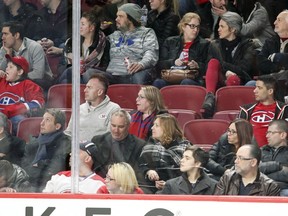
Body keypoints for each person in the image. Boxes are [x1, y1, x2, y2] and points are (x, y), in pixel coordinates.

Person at [201, 11, 257, 118]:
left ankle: (230, 108)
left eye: (222, 26)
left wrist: (225, 67)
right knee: (213, 62)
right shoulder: (214, 45)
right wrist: (225, 70)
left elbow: (244, 69)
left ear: (233, 29)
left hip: (240, 80)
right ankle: (209, 97)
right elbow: (208, 68)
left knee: (232, 78)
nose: (218, 29)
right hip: (220, 79)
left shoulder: (248, 45)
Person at [104, 3, 159, 85]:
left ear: (130, 19)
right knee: (91, 74)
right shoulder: (115, 35)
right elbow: (97, 43)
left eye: (121, 16)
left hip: (133, 74)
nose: (116, 19)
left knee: (139, 78)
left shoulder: (146, 32)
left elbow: (151, 53)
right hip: (112, 75)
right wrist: (101, 29)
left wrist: (141, 64)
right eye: (117, 16)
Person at [152, 12, 210, 89]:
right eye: (192, 26)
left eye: (198, 27)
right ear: (183, 26)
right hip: (171, 76)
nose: (195, 30)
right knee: (158, 82)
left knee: (186, 82)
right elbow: (160, 64)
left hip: (192, 78)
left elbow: (209, 67)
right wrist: (173, 62)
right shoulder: (170, 41)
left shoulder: (204, 44)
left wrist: (197, 65)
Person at [139, 113, 191, 193]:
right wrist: (148, 171)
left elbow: (189, 174)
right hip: (151, 188)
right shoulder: (149, 147)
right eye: (153, 125)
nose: (152, 128)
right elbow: (141, 167)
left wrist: (169, 184)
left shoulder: (185, 147)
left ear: (167, 128)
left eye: (156, 125)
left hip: (180, 189)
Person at [21, 109, 71, 192]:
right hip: (30, 186)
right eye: (42, 119)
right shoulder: (33, 144)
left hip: (54, 187)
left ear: (57, 126)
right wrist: (43, 165)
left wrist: (37, 165)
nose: (42, 123)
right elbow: (25, 170)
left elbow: (55, 171)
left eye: (47, 120)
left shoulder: (66, 143)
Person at [90, 109, 146, 182]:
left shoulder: (139, 145)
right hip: (101, 183)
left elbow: (138, 174)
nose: (116, 130)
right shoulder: (98, 141)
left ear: (129, 126)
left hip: (125, 185)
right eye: (113, 125)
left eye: (121, 127)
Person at [57, 6, 109, 84]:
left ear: (91, 28)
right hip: (71, 77)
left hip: (92, 79)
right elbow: (61, 66)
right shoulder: (71, 42)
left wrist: (84, 69)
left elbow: (104, 67)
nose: (79, 27)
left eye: (83, 24)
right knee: (68, 78)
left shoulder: (103, 44)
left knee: (80, 74)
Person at [64, 73, 120, 141]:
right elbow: (69, 133)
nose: (85, 90)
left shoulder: (114, 109)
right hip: (76, 150)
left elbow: (110, 138)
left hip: (99, 150)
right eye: (86, 87)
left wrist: (89, 149)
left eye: (89, 88)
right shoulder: (79, 109)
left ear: (100, 92)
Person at [0, 21, 54, 90]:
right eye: (2, 34)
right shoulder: (5, 48)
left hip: (40, 83)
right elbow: (1, 72)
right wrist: (8, 54)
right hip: (16, 82)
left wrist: (16, 77)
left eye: (6, 34)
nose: (2, 37)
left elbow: (38, 74)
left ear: (16, 35)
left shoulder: (35, 47)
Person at [0, 54, 45, 134]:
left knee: (20, 120)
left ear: (20, 72)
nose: (6, 69)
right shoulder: (2, 81)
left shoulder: (29, 85)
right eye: (7, 66)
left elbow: (38, 103)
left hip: (12, 117)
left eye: (10, 67)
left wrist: (13, 109)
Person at [239, 75, 288, 147]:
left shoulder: (284, 109)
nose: (254, 90)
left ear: (270, 91)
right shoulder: (246, 110)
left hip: (274, 154)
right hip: (249, 152)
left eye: (259, 88)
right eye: (255, 87)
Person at [214, 144, 280, 195]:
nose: (235, 161)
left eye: (240, 158)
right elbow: (217, 204)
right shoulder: (227, 178)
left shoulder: (270, 187)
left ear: (253, 162)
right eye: (236, 157)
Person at [257, 10, 288, 86]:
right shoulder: (270, 42)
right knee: (250, 84)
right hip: (269, 82)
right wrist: (279, 68)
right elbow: (261, 62)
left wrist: (277, 58)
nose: (274, 22)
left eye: (279, 20)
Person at [260, 120, 288, 196]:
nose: (267, 136)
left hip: (282, 189)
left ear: (282, 135)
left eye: (271, 133)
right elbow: (254, 169)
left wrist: (266, 173)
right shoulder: (261, 151)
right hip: (261, 188)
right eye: (267, 133)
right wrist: (276, 166)